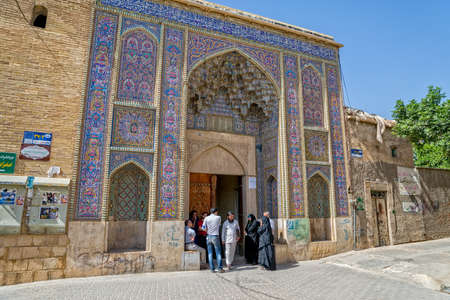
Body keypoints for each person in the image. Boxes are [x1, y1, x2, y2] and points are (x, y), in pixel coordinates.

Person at [202, 208, 224, 273]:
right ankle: (220, 268)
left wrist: (207, 231)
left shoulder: (206, 218)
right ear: (216, 212)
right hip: (215, 236)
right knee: (218, 252)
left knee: (210, 253)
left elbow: (203, 228)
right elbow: (219, 225)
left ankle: (212, 269)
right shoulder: (218, 217)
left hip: (208, 236)